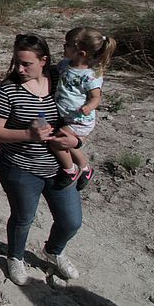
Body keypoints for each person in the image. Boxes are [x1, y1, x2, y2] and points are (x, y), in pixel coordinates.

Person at [0, 33, 83, 286]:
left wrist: (76, 142)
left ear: (44, 61)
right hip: (19, 167)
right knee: (23, 218)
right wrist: (27, 134)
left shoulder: (61, 81)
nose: (20, 68)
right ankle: (15, 257)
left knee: (71, 220)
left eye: (26, 63)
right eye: (17, 62)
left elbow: (77, 119)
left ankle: (54, 250)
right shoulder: (8, 90)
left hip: (60, 167)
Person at [51, 27, 117, 189]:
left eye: (67, 45)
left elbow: (96, 96)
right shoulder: (65, 65)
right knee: (64, 141)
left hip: (79, 119)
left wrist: (89, 106)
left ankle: (70, 170)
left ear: (81, 53)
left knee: (57, 142)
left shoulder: (90, 76)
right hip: (67, 116)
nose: (63, 47)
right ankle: (86, 169)